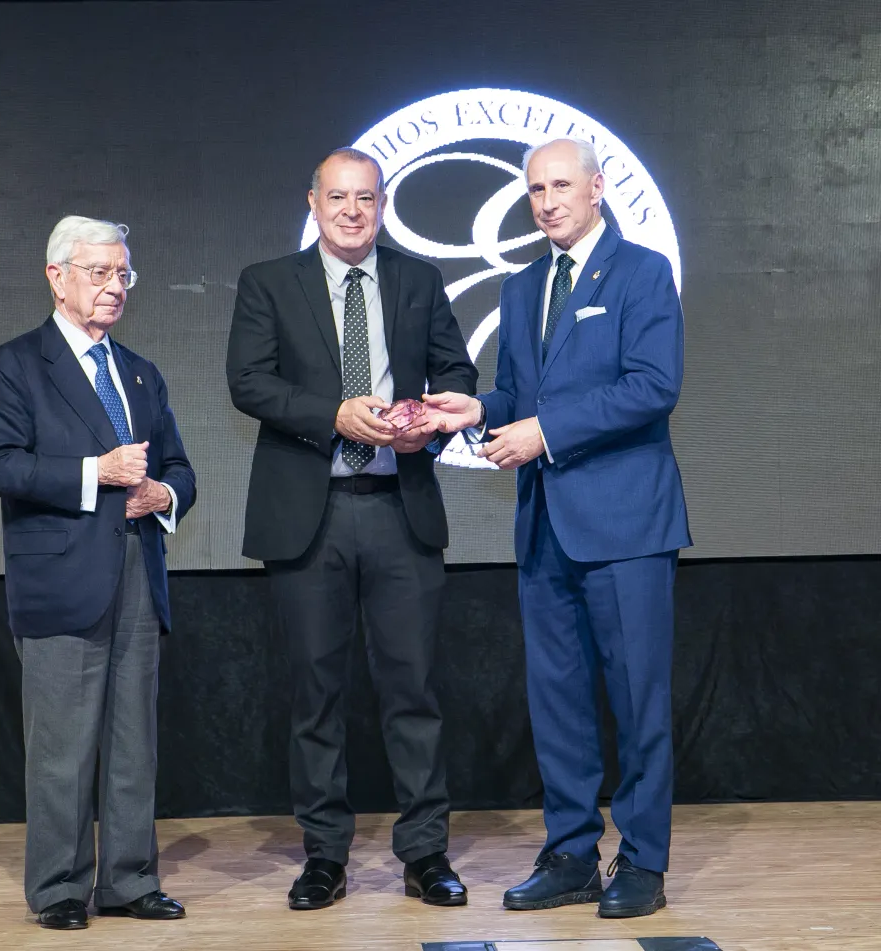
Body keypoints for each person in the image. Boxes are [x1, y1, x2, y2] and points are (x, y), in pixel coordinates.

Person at [423, 138, 691, 918]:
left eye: (562, 185)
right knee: (559, 702)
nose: (547, 201)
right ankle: (571, 854)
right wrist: (479, 409)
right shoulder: (522, 286)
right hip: (545, 525)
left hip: (628, 524)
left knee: (638, 702)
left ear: (598, 188)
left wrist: (544, 432)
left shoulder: (642, 271)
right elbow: (518, 393)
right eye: (536, 189)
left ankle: (642, 860)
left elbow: (653, 386)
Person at [226, 148, 478, 910]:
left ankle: (425, 852)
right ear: (313, 203)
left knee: (414, 689)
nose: (351, 211)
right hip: (312, 514)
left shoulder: (419, 279)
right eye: (337, 197)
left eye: (365, 198)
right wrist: (333, 414)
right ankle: (324, 855)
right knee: (316, 693)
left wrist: (427, 418)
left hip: (401, 507)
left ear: (383, 205)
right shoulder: (269, 281)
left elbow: (457, 372)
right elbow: (248, 381)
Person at [0, 215, 195, 930]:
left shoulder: (140, 371)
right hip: (60, 579)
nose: (113, 286)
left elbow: (179, 468)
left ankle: (129, 880)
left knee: (134, 742)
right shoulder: (17, 364)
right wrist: (94, 472)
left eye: (122, 274)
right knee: (62, 749)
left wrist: (163, 495)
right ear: (57, 277)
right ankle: (59, 887)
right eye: (99, 272)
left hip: (137, 572)